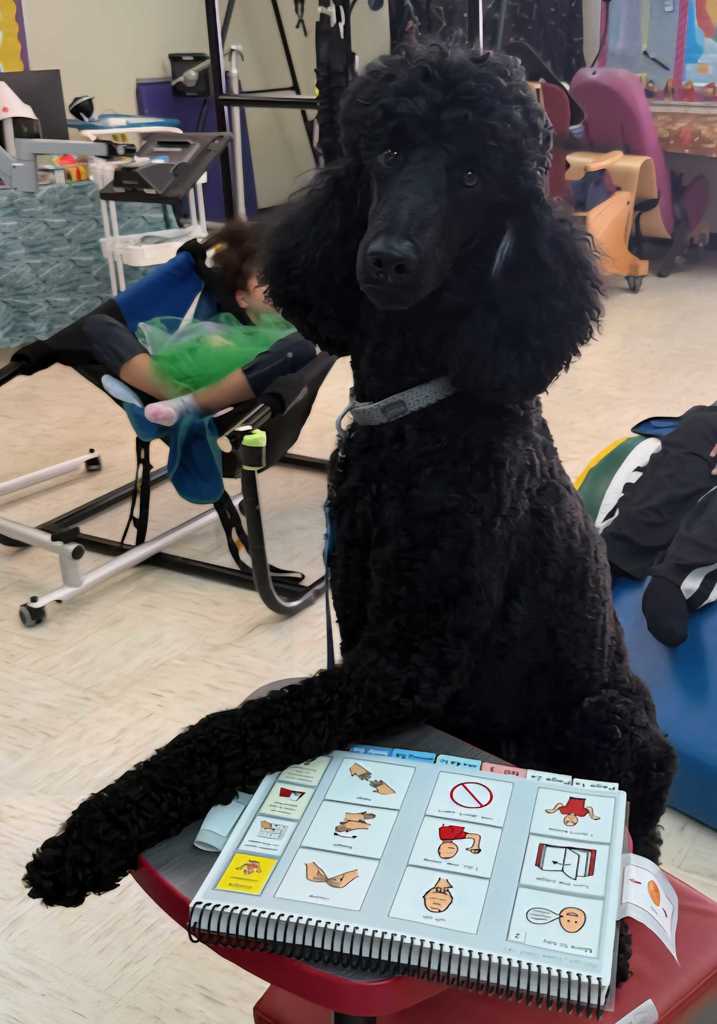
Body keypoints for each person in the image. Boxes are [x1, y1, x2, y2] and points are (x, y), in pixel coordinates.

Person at [94, 218, 317, 425]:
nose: (271, 288)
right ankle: (167, 403)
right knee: (97, 328)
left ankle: (188, 405)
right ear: (242, 298)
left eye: (275, 281)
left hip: (249, 385)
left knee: (301, 346)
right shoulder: (223, 330)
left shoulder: (297, 329)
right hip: (193, 377)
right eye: (261, 282)